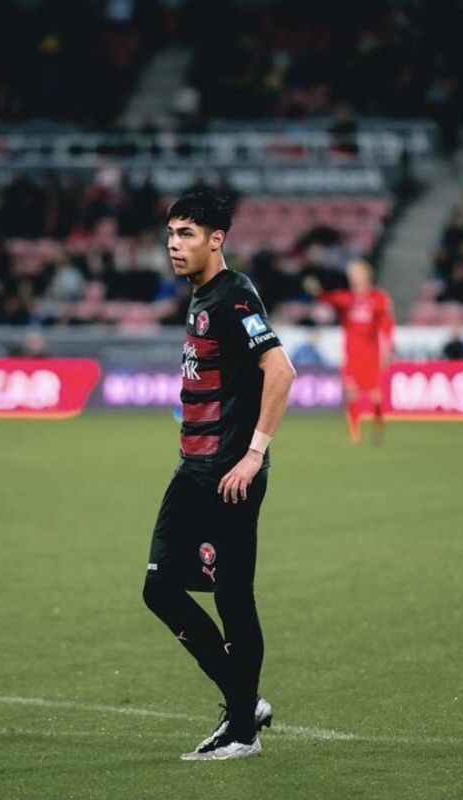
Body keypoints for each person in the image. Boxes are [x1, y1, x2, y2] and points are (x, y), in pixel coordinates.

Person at [142, 187, 297, 762]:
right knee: (159, 587)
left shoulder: (233, 296)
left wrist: (254, 454)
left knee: (233, 598)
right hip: (193, 471)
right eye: (170, 233)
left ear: (216, 240)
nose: (173, 245)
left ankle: (241, 732)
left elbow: (280, 370)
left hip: (228, 475)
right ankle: (243, 700)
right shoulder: (202, 294)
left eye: (185, 234)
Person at [305, 260, 395, 443]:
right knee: (351, 393)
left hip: (372, 354)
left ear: (366, 275)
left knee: (376, 396)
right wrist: (317, 291)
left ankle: (377, 427)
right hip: (352, 354)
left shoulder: (378, 298)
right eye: (352, 275)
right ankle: (355, 435)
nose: (354, 278)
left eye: (357, 274)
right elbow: (328, 298)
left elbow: (386, 324)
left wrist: (388, 348)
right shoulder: (346, 298)